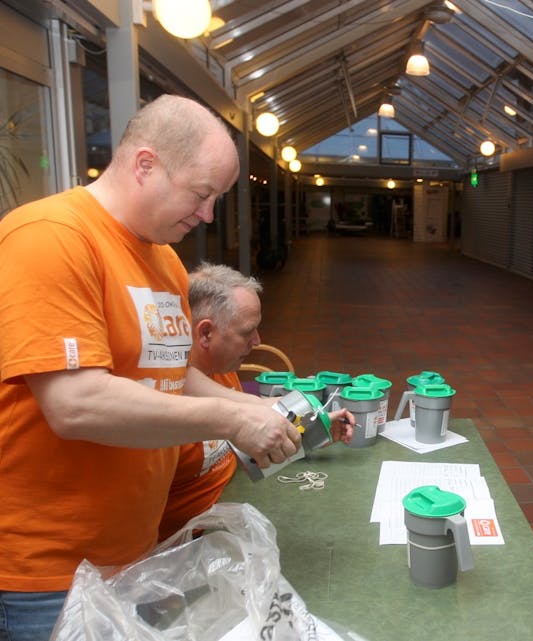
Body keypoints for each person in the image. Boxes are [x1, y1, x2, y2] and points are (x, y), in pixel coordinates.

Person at [0, 95, 303, 641]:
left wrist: (257, 405)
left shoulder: (163, 258)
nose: (208, 215)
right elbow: (74, 403)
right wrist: (232, 420)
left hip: (136, 555)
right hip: (48, 575)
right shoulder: (51, 237)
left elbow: (170, 373)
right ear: (146, 164)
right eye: (201, 194)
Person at [158, 262, 354, 541]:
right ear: (205, 333)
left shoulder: (222, 370)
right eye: (246, 332)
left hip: (231, 514)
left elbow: (245, 449)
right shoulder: (164, 401)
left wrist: (311, 431)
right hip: (189, 542)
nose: (258, 341)